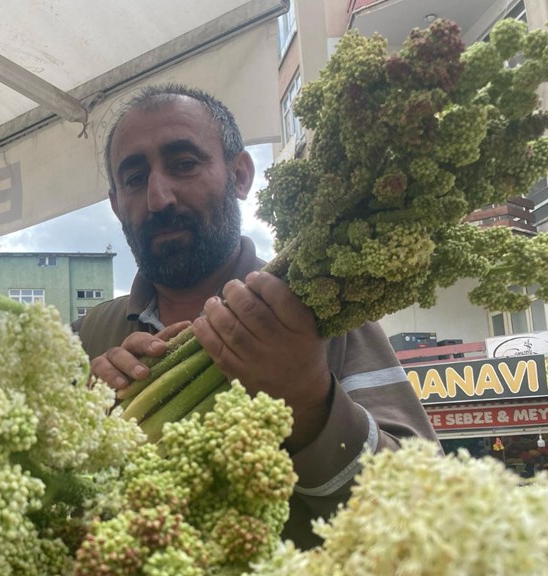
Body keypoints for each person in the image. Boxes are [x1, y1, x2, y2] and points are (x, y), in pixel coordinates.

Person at [73, 83, 438, 549]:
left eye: (184, 164)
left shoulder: (328, 315)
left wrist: (309, 404)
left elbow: (426, 513)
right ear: (115, 204)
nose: (158, 197)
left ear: (241, 174)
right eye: (134, 178)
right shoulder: (84, 337)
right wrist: (83, 424)